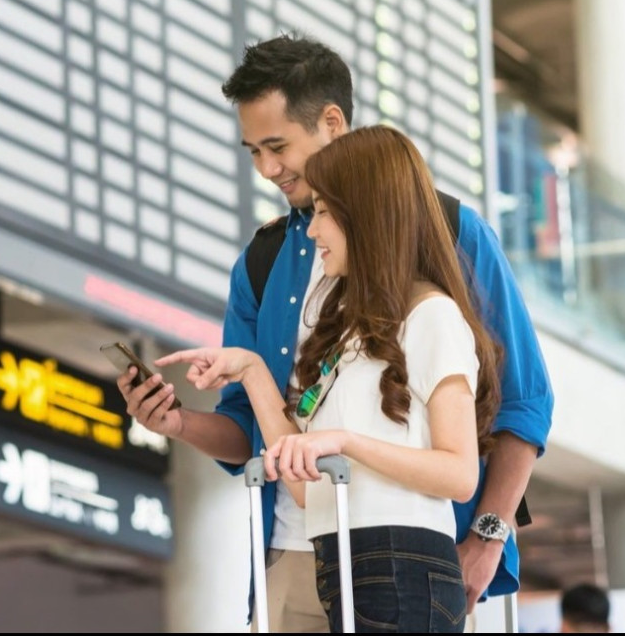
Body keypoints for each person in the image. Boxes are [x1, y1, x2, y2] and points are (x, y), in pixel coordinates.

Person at [118, 34, 553, 630]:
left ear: (331, 121)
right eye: (252, 152)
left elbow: (522, 401)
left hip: (422, 553)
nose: (267, 169)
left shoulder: (447, 231)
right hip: (297, 549)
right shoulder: (262, 262)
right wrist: (179, 423)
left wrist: (486, 539)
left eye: (277, 146)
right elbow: (259, 431)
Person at [159, 125, 501, 632]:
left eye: (323, 212)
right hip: (339, 558)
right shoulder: (345, 337)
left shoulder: (433, 315)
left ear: (364, 213)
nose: (312, 230)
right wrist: (251, 371)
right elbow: (304, 490)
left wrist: (345, 442)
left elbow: (459, 473)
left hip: (403, 568)